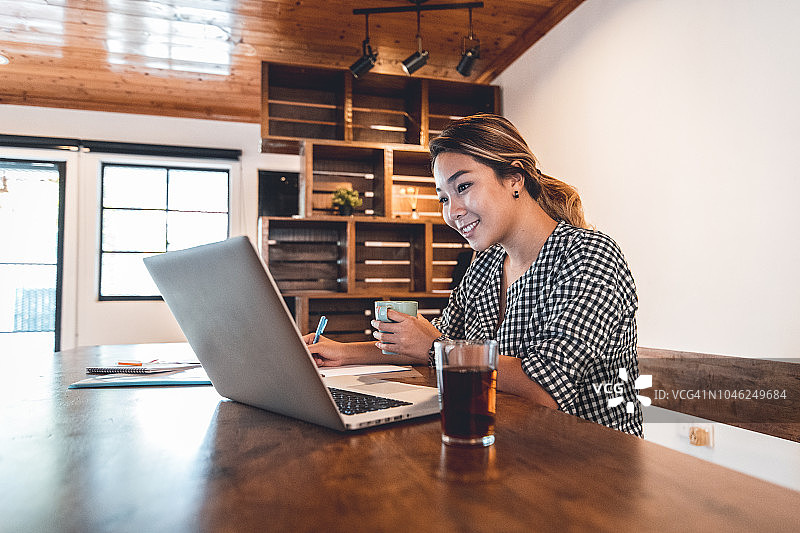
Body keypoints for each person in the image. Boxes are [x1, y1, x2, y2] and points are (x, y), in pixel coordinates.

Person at [304, 114, 642, 437]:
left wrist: (434, 347)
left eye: (463, 186)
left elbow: (543, 390)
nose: (452, 212)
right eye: (443, 198)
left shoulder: (588, 255)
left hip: (593, 465)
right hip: (510, 444)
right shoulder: (484, 265)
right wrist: (342, 352)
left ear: (514, 178)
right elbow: (430, 343)